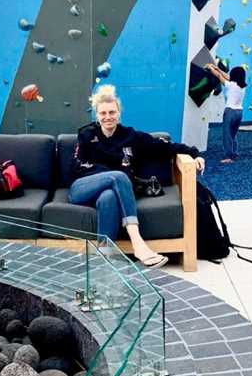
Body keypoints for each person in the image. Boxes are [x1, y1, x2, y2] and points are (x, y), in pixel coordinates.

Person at [68, 85, 206, 268]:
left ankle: (104, 257)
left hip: (111, 194)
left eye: (112, 112)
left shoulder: (130, 136)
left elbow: (163, 146)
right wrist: (107, 174)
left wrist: (194, 153)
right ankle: (138, 243)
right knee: (118, 177)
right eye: (103, 113)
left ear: (119, 113)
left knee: (109, 196)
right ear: (96, 115)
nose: (107, 117)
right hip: (82, 189)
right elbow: (75, 167)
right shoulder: (87, 136)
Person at [206, 64, 247, 162]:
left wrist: (210, 68)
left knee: (227, 134)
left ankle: (229, 156)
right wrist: (218, 68)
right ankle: (234, 153)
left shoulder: (231, 85)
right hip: (239, 112)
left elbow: (219, 77)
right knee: (233, 134)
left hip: (230, 112)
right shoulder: (242, 86)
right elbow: (227, 77)